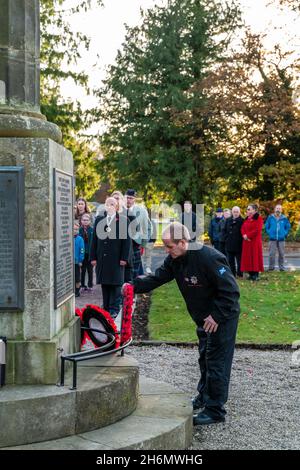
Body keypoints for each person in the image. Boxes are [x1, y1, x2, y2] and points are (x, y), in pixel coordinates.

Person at [126, 222, 240, 425]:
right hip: (203, 319)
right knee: (204, 358)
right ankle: (204, 396)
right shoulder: (175, 260)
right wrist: (132, 287)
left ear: (183, 242)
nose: (167, 251)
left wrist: (216, 316)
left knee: (217, 362)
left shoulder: (210, 258)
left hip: (221, 318)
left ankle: (215, 410)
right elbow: (157, 278)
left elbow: (231, 291)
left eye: (169, 246)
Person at [90, 197, 131, 318]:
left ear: (117, 206)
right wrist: (93, 257)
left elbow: (127, 241)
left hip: (117, 258)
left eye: (112, 204)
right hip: (102, 258)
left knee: (116, 284)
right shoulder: (99, 220)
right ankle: (106, 308)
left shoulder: (123, 220)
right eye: (107, 204)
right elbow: (94, 240)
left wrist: (124, 257)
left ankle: (114, 308)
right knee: (105, 284)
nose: (109, 206)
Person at [125, 189, 151, 278]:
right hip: (121, 243)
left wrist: (143, 244)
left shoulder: (142, 211)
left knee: (134, 269)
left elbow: (147, 227)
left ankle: (133, 289)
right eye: (127, 198)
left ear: (134, 199)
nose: (128, 200)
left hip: (135, 243)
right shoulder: (120, 210)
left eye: (131, 198)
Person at [241, 204, 264, 281]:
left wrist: (247, 235)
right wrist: (244, 235)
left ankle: (255, 275)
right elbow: (242, 227)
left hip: (254, 242)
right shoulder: (247, 218)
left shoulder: (259, 218)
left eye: (249, 209)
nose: (247, 211)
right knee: (248, 258)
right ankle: (250, 274)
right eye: (247, 209)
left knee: (255, 257)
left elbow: (257, 230)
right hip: (247, 242)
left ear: (254, 210)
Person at [265, 204, 291, 271]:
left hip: (281, 239)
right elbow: (266, 226)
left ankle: (281, 268)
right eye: (277, 208)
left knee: (282, 254)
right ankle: (271, 268)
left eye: (279, 209)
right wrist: (269, 232)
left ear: (281, 210)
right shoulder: (270, 217)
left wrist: (284, 233)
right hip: (272, 239)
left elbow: (288, 227)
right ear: (274, 209)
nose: (278, 210)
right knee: (271, 254)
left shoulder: (284, 218)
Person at [224, 206, 244, 277]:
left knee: (239, 261)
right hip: (229, 243)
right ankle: (232, 274)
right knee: (230, 261)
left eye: (237, 212)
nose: (235, 213)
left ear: (239, 212)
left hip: (239, 244)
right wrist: (226, 238)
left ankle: (240, 274)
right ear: (232, 212)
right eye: (234, 212)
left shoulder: (242, 221)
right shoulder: (228, 220)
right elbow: (225, 230)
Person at [79, 213, 94, 291]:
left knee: (90, 269)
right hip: (82, 252)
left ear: (90, 221)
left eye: (87, 220)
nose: (85, 221)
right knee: (83, 269)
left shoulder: (92, 230)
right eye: (83, 220)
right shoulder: (79, 230)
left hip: (90, 252)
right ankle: (82, 284)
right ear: (81, 221)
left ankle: (90, 284)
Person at [74, 220, 85, 297]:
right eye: (73, 229)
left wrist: (81, 259)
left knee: (77, 277)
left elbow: (82, 250)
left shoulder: (80, 239)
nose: (75, 231)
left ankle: (77, 291)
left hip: (77, 261)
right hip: (69, 262)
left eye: (76, 229)